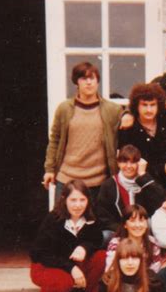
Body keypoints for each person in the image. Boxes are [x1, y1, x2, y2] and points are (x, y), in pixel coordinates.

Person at [43, 62, 122, 200]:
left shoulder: (112, 110)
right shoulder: (64, 108)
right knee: (62, 221)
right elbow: (54, 140)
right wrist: (49, 169)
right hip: (67, 179)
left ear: (98, 82)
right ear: (76, 82)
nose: (89, 82)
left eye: (92, 78)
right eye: (84, 79)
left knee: (96, 221)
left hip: (99, 182)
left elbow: (135, 112)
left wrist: (129, 115)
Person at [30, 180, 105, 292]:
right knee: (64, 281)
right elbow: (39, 253)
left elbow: (97, 240)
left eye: (82, 200)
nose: (78, 205)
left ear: (88, 200)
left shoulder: (91, 218)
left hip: (73, 264)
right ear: (64, 199)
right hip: (47, 265)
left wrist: (84, 247)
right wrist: (72, 268)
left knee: (101, 257)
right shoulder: (54, 219)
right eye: (73, 200)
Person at [96, 144, 165, 244]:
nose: (128, 166)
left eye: (133, 162)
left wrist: (143, 176)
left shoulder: (146, 181)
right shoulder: (109, 185)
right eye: (124, 162)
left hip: (144, 229)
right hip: (119, 231)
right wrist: (124, 230)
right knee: (105, 235)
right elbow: (103, 216)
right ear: (118, 163)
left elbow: (161, 202)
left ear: (139, 164)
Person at [105, 204, 163, 274]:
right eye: (132, 221)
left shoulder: (152, 243)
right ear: (125, 224)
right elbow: (111, 270)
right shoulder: (116, 244)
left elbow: (154, 272)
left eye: (141, 220)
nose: (137, 225)